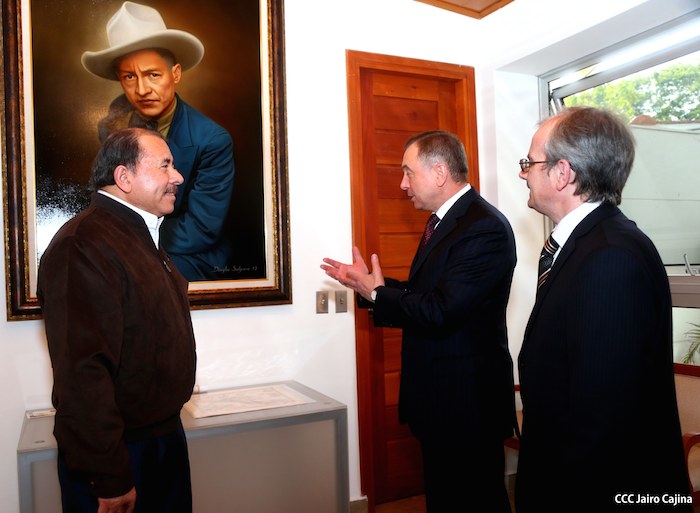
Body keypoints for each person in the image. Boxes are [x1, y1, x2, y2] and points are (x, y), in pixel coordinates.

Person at [322, 130, 517, 512]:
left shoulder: (484, 227)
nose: (402, 183)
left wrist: (378, 294)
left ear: (439, 172)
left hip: (467, 406)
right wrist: (369, 287)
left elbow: (441, 310)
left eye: (408, 172)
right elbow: (424, 293)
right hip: (441, 401)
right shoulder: (445, 222)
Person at [515, 107, 691, 512]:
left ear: (562, 173)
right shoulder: (590, 243)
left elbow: (602, 417)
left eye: (530, 163)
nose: (523, 173)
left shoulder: (609, 256)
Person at [37, 128, 197, 513]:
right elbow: (83, 373)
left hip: (160, 441)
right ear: (124, 177)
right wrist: (109, 475)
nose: (177, 177)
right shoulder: (83, 244)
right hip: (121, 454)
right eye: (165, 166)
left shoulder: (137, 236)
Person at [81, 1, 235, 281]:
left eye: (153, 74)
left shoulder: (212, 140)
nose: (142, 89)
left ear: (175, 74)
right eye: (129, 77)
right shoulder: (111, 125)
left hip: (189, 253)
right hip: (127, 244)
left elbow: (201, 230)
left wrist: (126, 241)